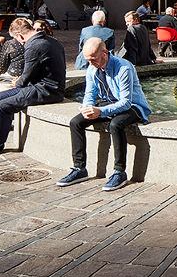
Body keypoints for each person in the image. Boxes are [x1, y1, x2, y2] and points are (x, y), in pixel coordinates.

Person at [57, 38, 151, 192]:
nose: (91, 63)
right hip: (107, 104)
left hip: (134, 107)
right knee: (76, 122)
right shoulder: (92, 69)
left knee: (116, 124)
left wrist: (100, 111)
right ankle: (79, 169)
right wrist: (87, 108)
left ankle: (119, 172)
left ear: (105, 53)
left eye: (93, 59)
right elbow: (89, 94)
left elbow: (126, 102)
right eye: (88, 60)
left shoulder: (123, 68)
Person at [0, 18, 67, 156]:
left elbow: (26, 76)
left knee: (3, 104)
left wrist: (16, 84)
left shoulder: (33, 46)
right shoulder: (51, 41)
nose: (21, 43)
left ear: (20, 35)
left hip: (46, 91)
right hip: (48, 87)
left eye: (18, 40)